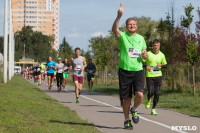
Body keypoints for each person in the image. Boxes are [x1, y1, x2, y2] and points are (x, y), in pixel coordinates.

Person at [112, 3, 148, 129]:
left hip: (138, 70)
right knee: (126, 98)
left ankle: (134, 109)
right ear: (126, 26)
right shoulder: (123, 36)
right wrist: (118, 17)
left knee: (140, 95)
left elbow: (145, 54)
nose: (132, 26)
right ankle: (127, 120)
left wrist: (145, 55)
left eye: (134, 24)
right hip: (125, 71)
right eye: (129, 24)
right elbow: (114, 30)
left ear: (136, 26)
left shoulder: (141, 38)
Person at [144, 39, 167, 115]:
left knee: (157, 93)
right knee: (151, 92)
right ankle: (148, 99)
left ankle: (153, 109)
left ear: (159, 46)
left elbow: (166, 65)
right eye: (155, 45)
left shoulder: (162, 55)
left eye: (157, 45)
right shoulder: (148, 54)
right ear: (152, 46)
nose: (156, 47)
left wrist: (161, 65)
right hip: (149, 76)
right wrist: (146, 66)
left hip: (158, 76)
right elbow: (142, 62)